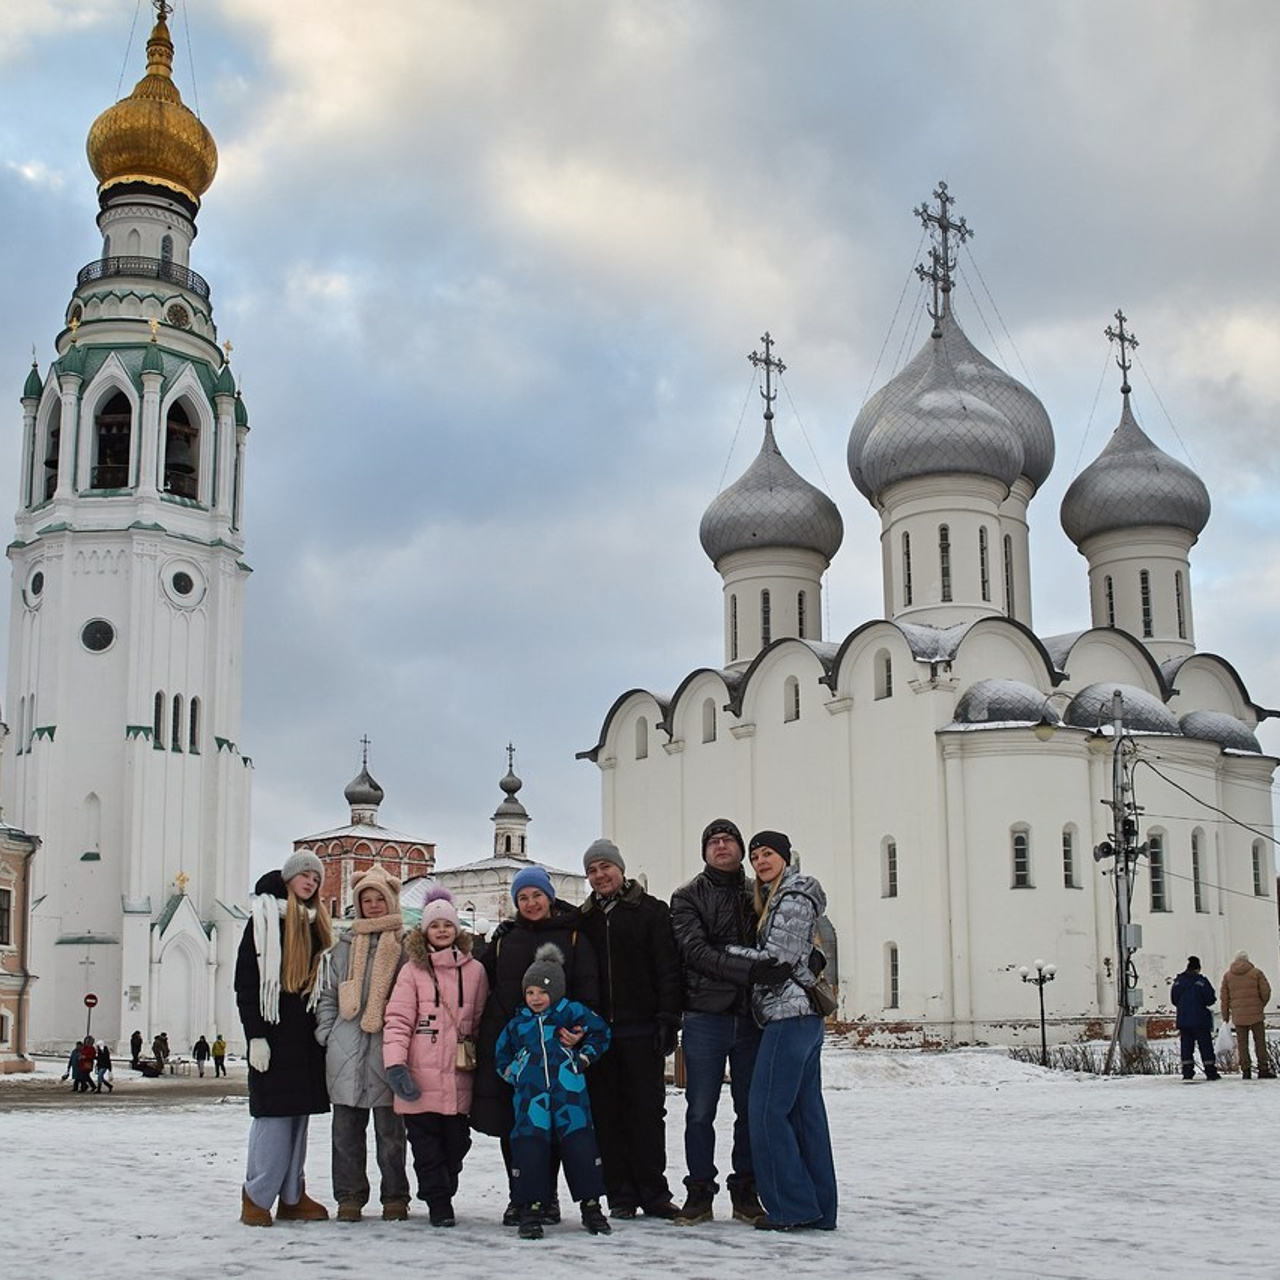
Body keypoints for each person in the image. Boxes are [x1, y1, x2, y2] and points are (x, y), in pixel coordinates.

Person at [670, 818, 786, 1226]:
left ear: (741, 849)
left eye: (729, 840)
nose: (721, 846)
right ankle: (699, 1192)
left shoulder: (760, 892)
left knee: (750, 1109)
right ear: (704, 852)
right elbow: (696, 952)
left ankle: (746, 1191)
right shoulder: (687, 896)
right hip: (705, 1016)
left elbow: (779, 939)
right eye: (713, 841)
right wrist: (751, 971)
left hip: (752, 1017)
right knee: (700, 1109)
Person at [471, 865, 600, 1226]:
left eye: (537, 895)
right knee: (515, 1125)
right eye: (523, 897)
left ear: (549, 896)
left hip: (556, 1048)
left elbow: (588, 989)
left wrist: (579, 1033)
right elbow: (482, 982)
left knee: (555, 1127)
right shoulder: (505, 939)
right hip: (514, 1046)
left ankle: (548, 1197)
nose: (530, 903)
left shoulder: (572, 937)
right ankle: (521, 1197)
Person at [727, 831, 837, 1231]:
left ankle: (791, 1206)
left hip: (788, 1016)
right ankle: (821, 1209)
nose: (760, 861)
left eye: (767, 853)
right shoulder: (783, 896)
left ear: (785, 858)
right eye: (755, 856)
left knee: (766, 1113)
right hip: (803, 1017)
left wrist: (727, 952)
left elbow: (779, 959)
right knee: (806, 1115)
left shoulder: (791, 896)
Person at [577, 837, 683, 1220]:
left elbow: (669, 969)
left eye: (605, 867)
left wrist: (669, 1019)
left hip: (642, 1028)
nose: (600, 875)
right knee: (606, 1114)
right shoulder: (584, 918)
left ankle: (654, 1192)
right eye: (592, 870)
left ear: (620, 868)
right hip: (598, 1035)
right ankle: (619, 1193)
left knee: (647, 1113)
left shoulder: (651, 912)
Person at [234, 848, 334, 1226]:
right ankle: (256, 1195)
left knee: (298, 1120)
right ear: (288, 878)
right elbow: (246, 983)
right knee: (272, 1118)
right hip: (274, 1034)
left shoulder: (314, 922)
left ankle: (292, 1194)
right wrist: (255, 1036)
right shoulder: (262, 921)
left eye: (316, 877)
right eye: (304, 874)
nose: (310, 881)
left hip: (305, 1038)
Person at [383, 887, 489, 1227]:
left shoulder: (475, 972)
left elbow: (483, 1019)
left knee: (457, 1142)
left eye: (447, 924)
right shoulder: (412, 971)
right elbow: (398, 1021)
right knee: (425, 1147)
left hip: (459, 1074)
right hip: (419, 1075)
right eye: (434, 925)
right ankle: (439, 1203)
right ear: (424, 931)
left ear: (457, 929)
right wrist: (396, 1064)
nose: (441, 930)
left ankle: (443, 1187)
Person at [494, 943, 612, 1239]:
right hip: (531, 1101)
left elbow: (601, 1032)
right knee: (530, 1152)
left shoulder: (569, 1013)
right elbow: (501, 1055)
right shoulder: (518, 1024)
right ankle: (531, 1208)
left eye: (543, 992)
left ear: (556, 991)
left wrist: (583, 1056)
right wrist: (514, 1072)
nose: (536, 998)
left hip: (569, 1098)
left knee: (581, 1148)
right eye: (531, 992)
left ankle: (591, 1206)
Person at [315, 864, 412, 1223]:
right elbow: (328, 992)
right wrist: (328, 1032)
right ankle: (349, 1197)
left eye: (379, 899)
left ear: (390, 901)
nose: (372, 905)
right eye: (366, 899)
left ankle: (395, 1197)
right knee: (345, 1134)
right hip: (346, 1050)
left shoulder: (404, 946)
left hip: (388, 1050)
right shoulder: (344, 946)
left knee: (391, 1135)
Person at [1220, 950, 1274, 1079]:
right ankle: (1263, 1069)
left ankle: (1246, 1070)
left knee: (1242, 1044)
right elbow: (1266, 991)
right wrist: (1261, 1005)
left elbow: (1224, 998)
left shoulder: (1228, 976)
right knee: (1259, 1042)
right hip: (1256, 1014)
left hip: (1238, 1015)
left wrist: (1226, 1015)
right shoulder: (1256, 973)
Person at [1170, 956, 1220, 1082]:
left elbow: (1174, 1000)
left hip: (1184, 1019)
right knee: (1205, 1046)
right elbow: (1210, 999)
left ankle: (1187, 1072)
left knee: (1186, 1046)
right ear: (1198, 968)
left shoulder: (1178, 981)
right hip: (1200, 1019)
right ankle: (1210, 1072)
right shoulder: (1202, 981)